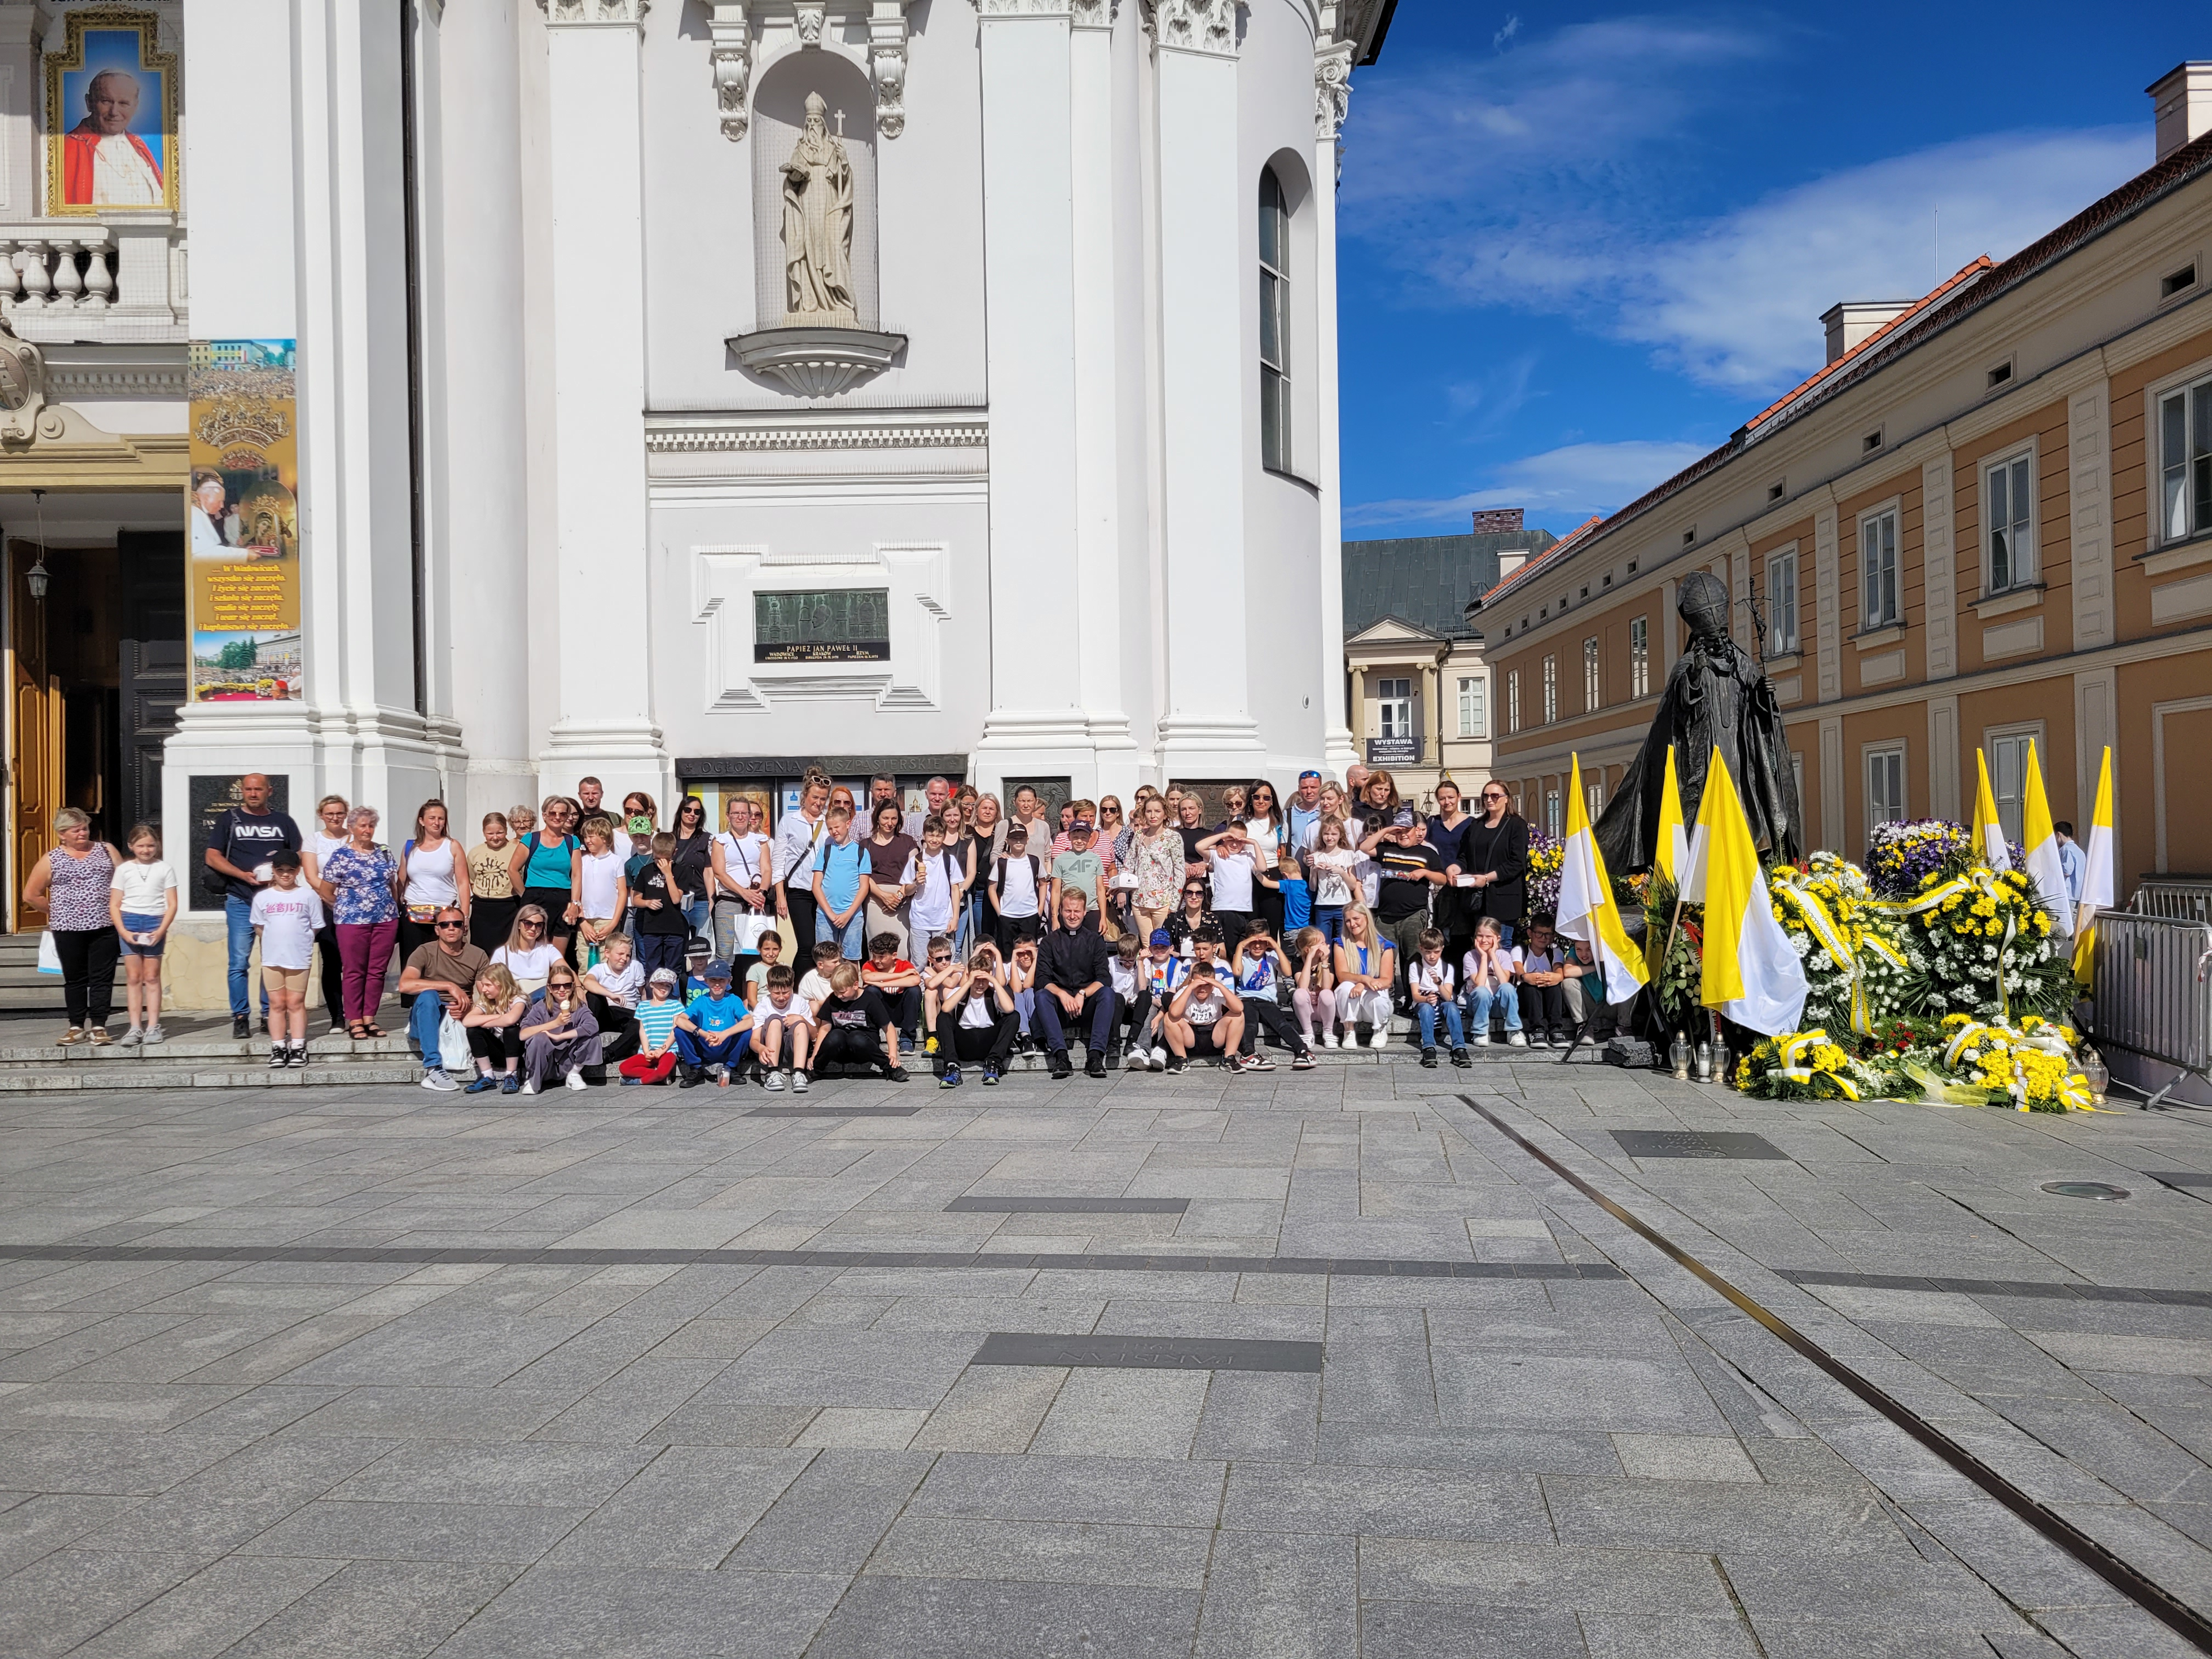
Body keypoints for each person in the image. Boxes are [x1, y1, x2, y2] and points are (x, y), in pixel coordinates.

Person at [204, 772, 303, 1039]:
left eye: (258, 789)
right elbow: (212, 856)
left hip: (275, 901)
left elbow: (297, 854)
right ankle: (240, 1017)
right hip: (240, 899)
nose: (253, 794)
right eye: (248, 789)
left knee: (272, 960)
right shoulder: (229, 819)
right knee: (238, 962)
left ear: (269, 791)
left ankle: (269, 1014)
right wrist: (241, 875)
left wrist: (281, 876)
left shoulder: (283, 821)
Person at [315, 805, 399, 1041]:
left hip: (385, 920)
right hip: (352, 922)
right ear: (351, 828)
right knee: (354, 971)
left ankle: (370, 1017)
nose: (367, 830)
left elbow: (393, 885)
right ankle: (354, 1020)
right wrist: (346, 907)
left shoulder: (384, 852)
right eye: (362, 826)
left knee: (377, 971)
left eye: (371, 825)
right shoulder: (341, 856)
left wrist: (392, 907)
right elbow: (326, 890)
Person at [245, 850, 322, 1069]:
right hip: (272, 959)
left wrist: (301, 942)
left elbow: (315, 926)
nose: (286, 874)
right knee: (277, 1004)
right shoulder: (263, 897)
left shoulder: (308, 896)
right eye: (280, 870)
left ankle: (298, 1046)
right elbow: (259, 926)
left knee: (295, 1003)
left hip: (298, 957)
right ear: (274, 871)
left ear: (298, 871)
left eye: (290, 870)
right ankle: (278, 1046)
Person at [398, 904, 488, 1092]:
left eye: (457, 924)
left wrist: (470, 1008)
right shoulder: (425, 951)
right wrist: (449, 986)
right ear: (437, 930)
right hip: (428, 1013)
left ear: (465, 927)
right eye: (445, 925)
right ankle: (433, 1069)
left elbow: (485, 995)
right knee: (428, 996)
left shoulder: (477, 955)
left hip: (458, 1014)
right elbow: (405, 985)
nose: (451, 928)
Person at [108, 823, 177, 1047]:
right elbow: (115, 904)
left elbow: (172, 904)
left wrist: (161, 930)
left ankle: (153, 1026)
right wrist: (123, 931)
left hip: (155, 921)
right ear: (131, 846)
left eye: (150, 846)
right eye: (141, 846)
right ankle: (135, 1027)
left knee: (152, 976)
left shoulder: (164, 869)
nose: (146, 850)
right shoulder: (124, 870)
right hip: (130, 921)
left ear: (157, 846)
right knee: (134, 978)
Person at [1035, 888, 1115, 1079]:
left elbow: (1104, 977)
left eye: (1077, 911)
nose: (1072, 916)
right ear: (1061, 911)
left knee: (1108, 993)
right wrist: (1062, 994)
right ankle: (1061, 1057)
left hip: (1086, 1006)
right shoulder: (1049, 942)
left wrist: (1082, 994)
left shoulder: (1095, 940)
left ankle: (1095, 1056)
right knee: (1042, 995)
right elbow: (1042, 979)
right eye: (1068, 911)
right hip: (1060, 1009)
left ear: (1085, 912)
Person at [395, 800, 469, 1003]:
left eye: (441, 819)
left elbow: (463, 882)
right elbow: (401, 881)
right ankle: (414, 1008)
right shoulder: (410, 847)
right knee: (413, 962)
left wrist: (465, 915)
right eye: (432, 818)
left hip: (444, 916)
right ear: (422, 821)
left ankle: (444, 1003)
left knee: (443, 962)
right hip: (413, 915)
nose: (437, 823)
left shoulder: (452, 846)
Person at [63, 67, 164, 207]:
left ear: (135, 106)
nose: (114, 112)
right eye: (106, 101)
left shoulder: (138, 146)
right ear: (89, 103)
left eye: (124, 103)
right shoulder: (68, 147)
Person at [1366, 815, 1448, 982]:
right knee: (1383, 958)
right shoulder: (1387, 849)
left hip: (1413, 914)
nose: (1403, 835)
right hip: (1386, 916)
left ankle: (1412, 995)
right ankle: (1387, 994)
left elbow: (1442, 879)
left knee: (1413, 959)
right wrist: (1387, 830)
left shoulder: (1428, 853)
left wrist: (1425, 872)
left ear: (1416, 831)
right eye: (1399, 831)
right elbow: (1365, 847)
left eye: (1407, 831)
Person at [1229, 925, 1316, 1070]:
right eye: (1253, 941)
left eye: (1262, 942)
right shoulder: (1242, 957)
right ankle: (1248, 1054)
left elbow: (1287, 972)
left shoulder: (1271, 957)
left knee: (1282, 1024)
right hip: (1246, 999)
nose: (1257, 946)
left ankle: (1303, 1050)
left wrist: (1276, 947)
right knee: (1250, 1025)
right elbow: (1237, 972)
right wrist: (1240, 946)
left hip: (1267, 1001)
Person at [509, 797, 582, 959]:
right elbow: (513, 870)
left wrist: (575, 904)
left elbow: (577, 875)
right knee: (532, 953)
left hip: (563, 899)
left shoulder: (572, 841)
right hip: (535, 898)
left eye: (562, 814)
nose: (557, 817)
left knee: (557, 956)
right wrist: (525, 895)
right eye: (553, 813)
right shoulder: (531, 839)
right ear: (544, 815)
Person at [935, 946, 1018, 1088]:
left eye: (984, 980)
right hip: (965, 1042)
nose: (980, 984)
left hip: (988, 1042)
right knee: (943, 1018)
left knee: (1014, 1016)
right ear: (969, 976)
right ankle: (952, 1067)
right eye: (977, 980)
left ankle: (993, 1063)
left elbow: (1010, 1009)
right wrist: (968, 982)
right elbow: (946, 1009)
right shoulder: (960, 992)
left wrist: (994, 982)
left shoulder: (993, 993)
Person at [1460, 782, 1529, 946]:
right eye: (1485, 796)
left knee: (1501, 944)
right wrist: (1455, 868)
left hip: (1504, 899)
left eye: (1495, 796)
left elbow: (1517, 862)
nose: (1489, 800)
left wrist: (1487, 878)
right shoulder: (1476, 825)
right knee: (1480, 945)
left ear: (1506, 799)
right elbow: (1464, 854)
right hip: (1477, 899)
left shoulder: (1516, 825)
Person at [710, 795, 775, 969]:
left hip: (756, 899)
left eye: (744, 813)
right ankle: (726, 986)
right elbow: (719, 872)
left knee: (757, 950)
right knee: (726, 952)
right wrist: (743, 892)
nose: (740, 817)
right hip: (729, 900)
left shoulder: (760, 840)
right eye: (735, 813)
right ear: (728, 816)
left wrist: (762, 893)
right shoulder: (720, 840)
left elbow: (767, 869)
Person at [305, 794, 352, 1032]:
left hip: (355, 906)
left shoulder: (353, 837)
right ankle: (337, 1015)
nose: (335, 817)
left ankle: (357, 1014)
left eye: (340, 813)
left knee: (354, 963)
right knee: (332, 961)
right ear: (321, 815)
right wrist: (331, 898)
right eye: (330, 813)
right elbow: (311, 876)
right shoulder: (314, 840)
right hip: (326, 905)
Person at [1163, 934, 1243, 1073]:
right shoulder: (1186, 990)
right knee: (1169, 1018)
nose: (1202, 989)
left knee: (1238, 1016)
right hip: (1191, 1035)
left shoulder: (1216, 990)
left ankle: (1229, 1059)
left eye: (1207, 985)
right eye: (1199, 984)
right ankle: (1181, 1060)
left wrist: (1218, 985)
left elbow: (1239, 1008)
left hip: (1214, 1035)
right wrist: (1190, 987)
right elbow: (1174, 1013)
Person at [813, 961, 907, 1081]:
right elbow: (824, 1029)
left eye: (842, 992)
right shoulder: (833, 999)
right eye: (836, 992)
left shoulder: (870, 999)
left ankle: (891, 1068)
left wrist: (893, 1055)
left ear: (856, 985)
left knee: (856, 1038)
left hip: (864, 1047)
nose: (839, 996)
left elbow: (889, 1028)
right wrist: (815, 1055)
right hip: (841, 1050)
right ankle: (815, 1070)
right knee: (835, 1035)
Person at [520, 962, 601, 1094]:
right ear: (550, 988)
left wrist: (560, 1036)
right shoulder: (540, 1008)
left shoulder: (579, 1007)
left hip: (568, 1061)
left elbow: (593, 1026)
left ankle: (574, 1074)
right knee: (539, 1038)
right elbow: (523, 1034)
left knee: (593, 1037)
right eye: (557, 986)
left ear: (573, 987)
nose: (562, 989)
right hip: (544, 1062)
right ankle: (535, 1079)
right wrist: (555, 1024)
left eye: (567, 985)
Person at [774, 772, 832, 952]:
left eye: (823, 799)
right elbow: (778, 860)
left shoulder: (829, 821)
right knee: (807, 945)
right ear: (805, 795)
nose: (818, 803)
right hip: (799, 890)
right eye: (815, 797)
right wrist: (780, 896)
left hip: (826, 890)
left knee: (825, 945)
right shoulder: (789, 821)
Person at [672, 958, 749, 1085]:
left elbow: (749, 1021)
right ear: (706, 981)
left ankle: (731, 1067)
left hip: (726, 1045)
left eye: (722, 980)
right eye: (713, 980)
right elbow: (680, 1020)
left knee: (747, 1031)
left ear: (729, 981)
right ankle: (696, 1068)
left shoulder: (734, 1000)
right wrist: (703, 1033)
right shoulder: (701, 1001)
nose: (717, 984)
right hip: (705, 1044)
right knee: (680, 1031)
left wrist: (724, 1034)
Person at [810, 803, 872, 960]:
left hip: (852, 916)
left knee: (851, 959)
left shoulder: (861, 852)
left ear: (848, 824)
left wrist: (848, 914)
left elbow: (864, 887)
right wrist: (830, 914)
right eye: (830, 828)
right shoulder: (825, 851)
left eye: (837, 827)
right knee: (825, 959)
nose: (834, 831)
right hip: (825, 915)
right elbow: (816, 886)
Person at [628, 832, 691, 980]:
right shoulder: (646, 871)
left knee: (673, 970)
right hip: (652, 929)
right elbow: (635, 899)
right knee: (652, 969)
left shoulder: (681, 871)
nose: (661, 863)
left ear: (674, 853)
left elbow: (676, 899)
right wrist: (647, 903)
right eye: (657, 859)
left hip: (674, 929)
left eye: (666, 859)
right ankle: (653, 994)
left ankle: (673, 994)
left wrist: (668, 874)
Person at [1332, 904, 1396, 1047]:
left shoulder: (1384, 946)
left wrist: (1363, 984)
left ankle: (1380, 1029)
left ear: (1367, 918)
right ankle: (1348, 1031)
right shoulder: (1341, 944)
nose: (1352, 924)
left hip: (1371, 1005)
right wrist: (1364, 979)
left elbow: (1387, 981)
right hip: (1351, 1004)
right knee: (1345, 987)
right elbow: (1342, 975)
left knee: (1377, 991)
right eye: (1348, 921)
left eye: (1356, 919)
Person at [862, 799, 919, 958]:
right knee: (878, 952)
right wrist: (883, 896)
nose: (890, 823)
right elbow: (864, 875)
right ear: (877, 819)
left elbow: (913, 873)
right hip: (875, 901)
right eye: (885, 818)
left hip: (903, 900)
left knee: (902, 952)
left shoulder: (908, 842)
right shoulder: (865, 845)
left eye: (894, 818)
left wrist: (899, 897)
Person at [1427, 778, 1476, 961]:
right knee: (1438, 936)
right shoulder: (1432, 823)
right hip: (1437, 887)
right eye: (1442, 798)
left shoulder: (1472, 824)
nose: (1447, 802)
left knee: (1462, 938)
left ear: (1459, 797)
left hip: (1462, 887)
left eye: (1451, 797)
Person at [1408, 927, 1470, 1069]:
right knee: (1426, 1009)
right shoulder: (1416, 967)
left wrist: (1438, 983)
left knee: (1452, 1008)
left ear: (1442, 949)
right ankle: (1429, 1047)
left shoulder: (1447, 968)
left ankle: (1459, 1048)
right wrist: (1426, 999)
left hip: (1442, 999)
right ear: (1421, 949)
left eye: (1436, 952)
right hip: (1423, 1001)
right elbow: (1415, 996)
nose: (1432, 956)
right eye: (1428, 952)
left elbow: (1448, 997)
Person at [460, 965, 528, 1093]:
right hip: (501, 1052)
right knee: (473, 1030)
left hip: (522, 1053)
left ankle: (511, 1075)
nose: (484, 990)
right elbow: (467, 1021)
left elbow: (510, 1020)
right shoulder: (488, 1002)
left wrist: (485, 1022)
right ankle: (487, 1076)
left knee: (511, 1029)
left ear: (501, 985)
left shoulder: (519, 1000)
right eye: (483, 985)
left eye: (488, 985)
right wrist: (498, 1017)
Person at [749, 963, 816, 1090]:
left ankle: (799, 1073)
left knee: (801, 1024)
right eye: (776, 993)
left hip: (794, 1050)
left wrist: (802, 1019)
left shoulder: (799, 1002)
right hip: (770, 1052)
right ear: (768, 988)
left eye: (786, 992)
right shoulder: (763, 1005)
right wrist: (760, 1049)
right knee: (775, 1020)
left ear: (792, 986)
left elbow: (814, 1035)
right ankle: (773, 1073)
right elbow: (754, 1040)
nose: (781, 998)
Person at [1126, 929, 1186, 1069]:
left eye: (1163, 947)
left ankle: (1161, 1050)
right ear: (1150, 949)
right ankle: (1143, 1049)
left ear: (1171, 948)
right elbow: (1143, 988)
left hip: (1169, 1003)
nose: (1159, 951)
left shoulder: (1177, 965)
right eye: (1156, 947)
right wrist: (1141, 962)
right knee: (1148, 1016)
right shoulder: (1148, 962)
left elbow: (1172, 994)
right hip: (1153, 1001)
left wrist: (1159, 1016)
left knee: (1165, 1019)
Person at [907, 816, 965, 961]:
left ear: (944, 837)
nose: (934, 839)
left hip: (943, 920)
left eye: (939, 836)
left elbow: (955, 890)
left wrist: (955, 918)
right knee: (920, 962)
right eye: (931, 835)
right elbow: (906, 890)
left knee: (944, 961)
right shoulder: (916, 860)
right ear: (924, 835)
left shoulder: (949, 860)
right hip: (920, 920)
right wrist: (916, 883)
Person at [1461, 916, 1525, 1047]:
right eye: (1480, 936)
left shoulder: (1504, 956)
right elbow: (1479, 984)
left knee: (1508, 988)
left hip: (1497, 1006)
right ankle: (1480, 1032)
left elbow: (1504, 981)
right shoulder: (1470, 956)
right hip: (1477, 1005)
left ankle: (1514, 1031)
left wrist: (1493, 956)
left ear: (1497, 939)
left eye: (1489, 937)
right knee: (1482, 991)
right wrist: (1484, 958)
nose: (1484, 940)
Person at [573, 816, 628, 965]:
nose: (587, 840)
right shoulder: (582, 861)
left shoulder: (616, 861)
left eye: (591, 836)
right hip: (586, 920)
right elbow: (576, 891)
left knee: (607, 962)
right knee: (584, 961)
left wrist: (613, 923)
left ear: (604, 838)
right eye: (586, 837)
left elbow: (622, 892)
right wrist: (582, 921)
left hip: (608, 919)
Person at [1127, 796, 1183, 942]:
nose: (1153, 816)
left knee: (1162, 945)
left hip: (1163, 902)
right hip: (1139, 900)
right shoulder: (1139, 835)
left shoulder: (1173, 837)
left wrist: (1174, 903)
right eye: (1149, 811)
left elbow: (1179, 871)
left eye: (1157, 811)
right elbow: (1129, 863)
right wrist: (1121, 886)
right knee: (1147, 945)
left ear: (1165, 814)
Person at [583, 931, 645, 1063]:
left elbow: (643, 992)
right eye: (620, 954)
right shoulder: (599, 968)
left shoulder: (635, 966)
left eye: (628, 955)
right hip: (605, 1012)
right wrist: (611, 995)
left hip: (627, 1012)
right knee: (592, 996)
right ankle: (586, 1039)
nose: (624, 958)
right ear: (607, 953)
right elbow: (588, 982)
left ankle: (608, 1054)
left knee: (640, 1024)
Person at [619, 968, 685, 1086]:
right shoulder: (643, 1006)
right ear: (652, 984)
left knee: (663, 1071)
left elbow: (675, 1030)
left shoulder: (676, 1005)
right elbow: (643, 1030)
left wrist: (662, 1050)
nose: (664, 988)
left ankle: (639, 1081)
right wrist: (646, 1051)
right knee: (624, 1068)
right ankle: (656, 1076)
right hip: (650, 1050)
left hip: (669, 1050)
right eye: (660, 984)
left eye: (668, 986)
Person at [467, 812, 520, 956]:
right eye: (490, 833)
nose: (495, 837)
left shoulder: (517, 850)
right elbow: (472, 880)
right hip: (482, 909)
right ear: (484, 832)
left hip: (509, 907)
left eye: (500, 833)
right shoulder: (475, 853)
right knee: (481, 951)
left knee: (508, 950)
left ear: (506, 831)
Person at [862, 932, 923, 1052]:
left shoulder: (904, 965)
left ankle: (907, 1038)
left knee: (914, 991)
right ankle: (873, 1035)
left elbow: (915, 980)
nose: (877, 961)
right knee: (871, 990)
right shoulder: (870, 965)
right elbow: (867, 977)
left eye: (882, 957)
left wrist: (882, 984)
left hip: (900, 1011)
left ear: (894, 955)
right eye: (874, 956)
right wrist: (901, 975)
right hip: (881, 1011)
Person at [1516, 919, 1572, 1047]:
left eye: (1548, 934)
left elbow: (1559, 972)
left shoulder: (1555, 952)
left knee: (1554, 986)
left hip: (1548, 1002)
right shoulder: (1520, 951)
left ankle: (1556, 1030)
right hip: (1527, 1001)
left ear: (1553, 936)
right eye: (1539, 933)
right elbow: (1519, 972)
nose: (1543, 938)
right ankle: (1537, 1030)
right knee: (1529, 986)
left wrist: (1553, 978)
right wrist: (1528, 977)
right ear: (1530, 933)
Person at [988, 825, 1046, 950]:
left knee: (1029, 952)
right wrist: (1000, 912)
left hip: (1030, 914)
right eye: (1014, 839)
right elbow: (992, 889)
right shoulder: (1002, 862)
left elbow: (1043, 884)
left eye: (1021, 838)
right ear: (1007, 841)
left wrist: (1040, 908)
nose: (1018, 842)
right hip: (1007, 916)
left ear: (1027, 840)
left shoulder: (1034, 861)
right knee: (1007, 953)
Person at [668, 795, 714, 941]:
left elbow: (708, 871)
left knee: (700, 945)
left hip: (700, 900)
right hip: (676, 900)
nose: (692, 814)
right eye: (688, 810)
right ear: (681, 812)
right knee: (677, 943)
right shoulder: (670, 839)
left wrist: (711, 900)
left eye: (697, 812)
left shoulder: (706, 839)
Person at [493, 904, 561, 996]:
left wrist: (578, 987)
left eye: (539, 925)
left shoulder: (548, 949)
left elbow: (566, 970)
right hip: (514, 1000)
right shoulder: (502, 953)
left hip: (543, 1001)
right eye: (528, 923)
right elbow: (491, 983)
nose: (533, 929)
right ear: (519, 925)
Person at [1287, 926, 1335, 1049]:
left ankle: (1328, 1033)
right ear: (1308, 950)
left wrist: (1324, 962)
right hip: (1306, 1011)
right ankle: (1308, 1033)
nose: (1326, 946)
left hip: (1322, 1010)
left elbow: (1327, 986)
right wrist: (1309, 959)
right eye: (1321, 944)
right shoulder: (1298, 962)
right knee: (1299, 994)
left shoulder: (1329, 960)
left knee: (1327, 994)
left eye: (1325, 943)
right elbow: (1302, 986)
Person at [1052, 819, 1106, 926]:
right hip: (1069, 911)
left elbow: (1100, 889)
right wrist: (1054, 918)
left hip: (1091, 910)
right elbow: (1056, 891)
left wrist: (1103, 917)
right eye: (1076, 837)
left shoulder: (1096, 859)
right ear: (1069, 837)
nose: (1079, 841)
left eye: (1084, 838)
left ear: (1090, 838)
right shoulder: (1060, 860)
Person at [1165, 874, 1217, 958]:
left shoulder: (1212, 920)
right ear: (1184, 895)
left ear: (1204, 896)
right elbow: (1163, 949)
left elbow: (1223, 952)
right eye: (1189, 893)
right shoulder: (1173, 919)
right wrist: (1181, 956)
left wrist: (1210, 951)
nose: (1194, 897)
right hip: (1179, 964)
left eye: (1199, 893)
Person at [904, 775, 954, 840]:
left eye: (941, 794)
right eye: (933, 794)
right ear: (926, 794)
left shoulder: (953, 822)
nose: (937, 798)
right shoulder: (913, 822)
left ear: (948, 796)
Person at [1286, 770, 1326, 851]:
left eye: (1313, 787)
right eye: (1304, 788)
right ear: (1299, 789)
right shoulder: (1288, 814)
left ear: (1321, 788)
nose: (1309, 792)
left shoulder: (1326, 812)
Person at [745, 929, 786, 1003]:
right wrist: (762, 1010)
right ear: (759, 949)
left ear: (780, 949)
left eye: (775, 949)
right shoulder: (755, 969)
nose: (771, 954)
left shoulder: (785, 967)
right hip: (761, 1007)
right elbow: (752, 1000)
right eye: (767, 949)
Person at [2055, 821, 2085, 900]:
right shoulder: (2079, 851)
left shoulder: (2066, 849)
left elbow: (2067, 871)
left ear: (2059, 835)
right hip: (2079, 895)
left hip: (2069, 895)